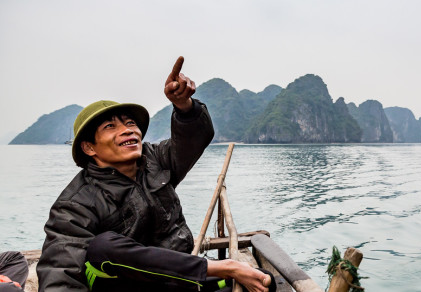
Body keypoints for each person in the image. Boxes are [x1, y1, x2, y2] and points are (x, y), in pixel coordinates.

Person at [37, 57, 275, 292]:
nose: (127, 129)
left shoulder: (156, 160)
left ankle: (220, 274)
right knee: (103, 247)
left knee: (262, 280)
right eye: (110, 127)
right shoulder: (74, 204)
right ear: (89, 147)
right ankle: (223, 269)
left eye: (130, 123)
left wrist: (184, 107)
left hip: (179, 279)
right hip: (128, 287)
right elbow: (60, 272)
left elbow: (193, 139)